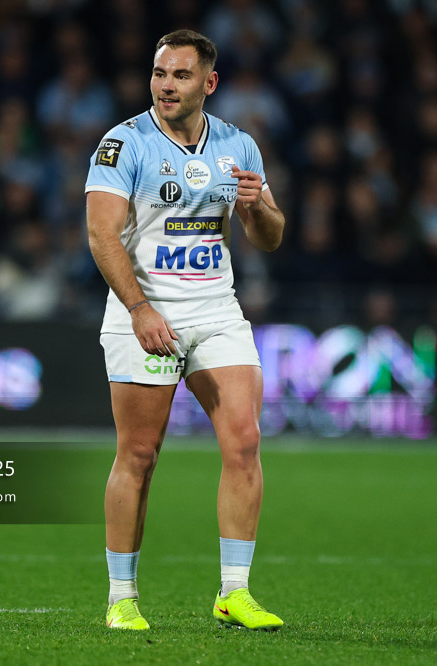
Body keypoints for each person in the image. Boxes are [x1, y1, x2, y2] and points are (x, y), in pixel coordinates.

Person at [85, 29, 285, 631]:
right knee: (140, 454)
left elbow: (270, 237)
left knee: (245, 441)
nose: (166, 86)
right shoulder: (124, 145)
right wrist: (141, 310)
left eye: (179, 75)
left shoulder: (238, 146)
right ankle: (122, 596)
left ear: (209, 82)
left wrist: (257, 211)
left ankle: (234, 591)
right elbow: (101, 235)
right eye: (159, 74)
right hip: (142, 312)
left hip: (215, 311)